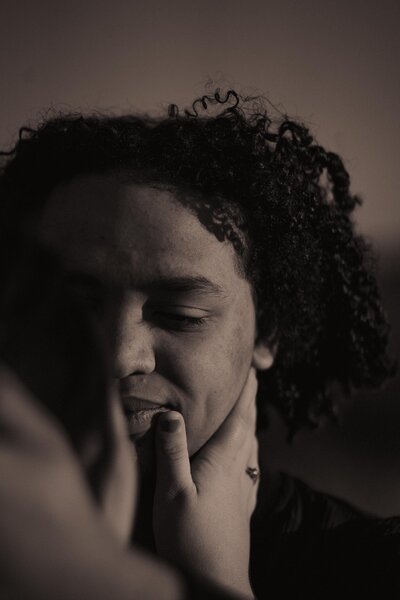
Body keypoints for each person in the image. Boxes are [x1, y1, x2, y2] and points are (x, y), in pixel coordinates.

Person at [0, 89, 398, 595]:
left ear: (267, 331)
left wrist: (215, 582)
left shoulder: (372, 569)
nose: (120, 355)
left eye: (179, 315)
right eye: (75, 308)